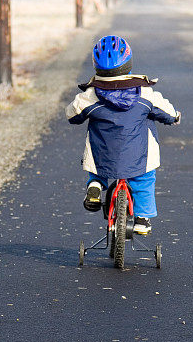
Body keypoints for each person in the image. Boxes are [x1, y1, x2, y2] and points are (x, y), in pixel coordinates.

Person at [65, 35, 180, 234]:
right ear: (128, 63)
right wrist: (175, 117)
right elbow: (167, 112)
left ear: (96, 66)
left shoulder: (90, 96)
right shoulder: (144, 94)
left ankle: (95, 185)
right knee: (144, 180)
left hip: (104, 154)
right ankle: (142, 220)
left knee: (97, 168)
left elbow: (72, 114)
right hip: (138, 156)